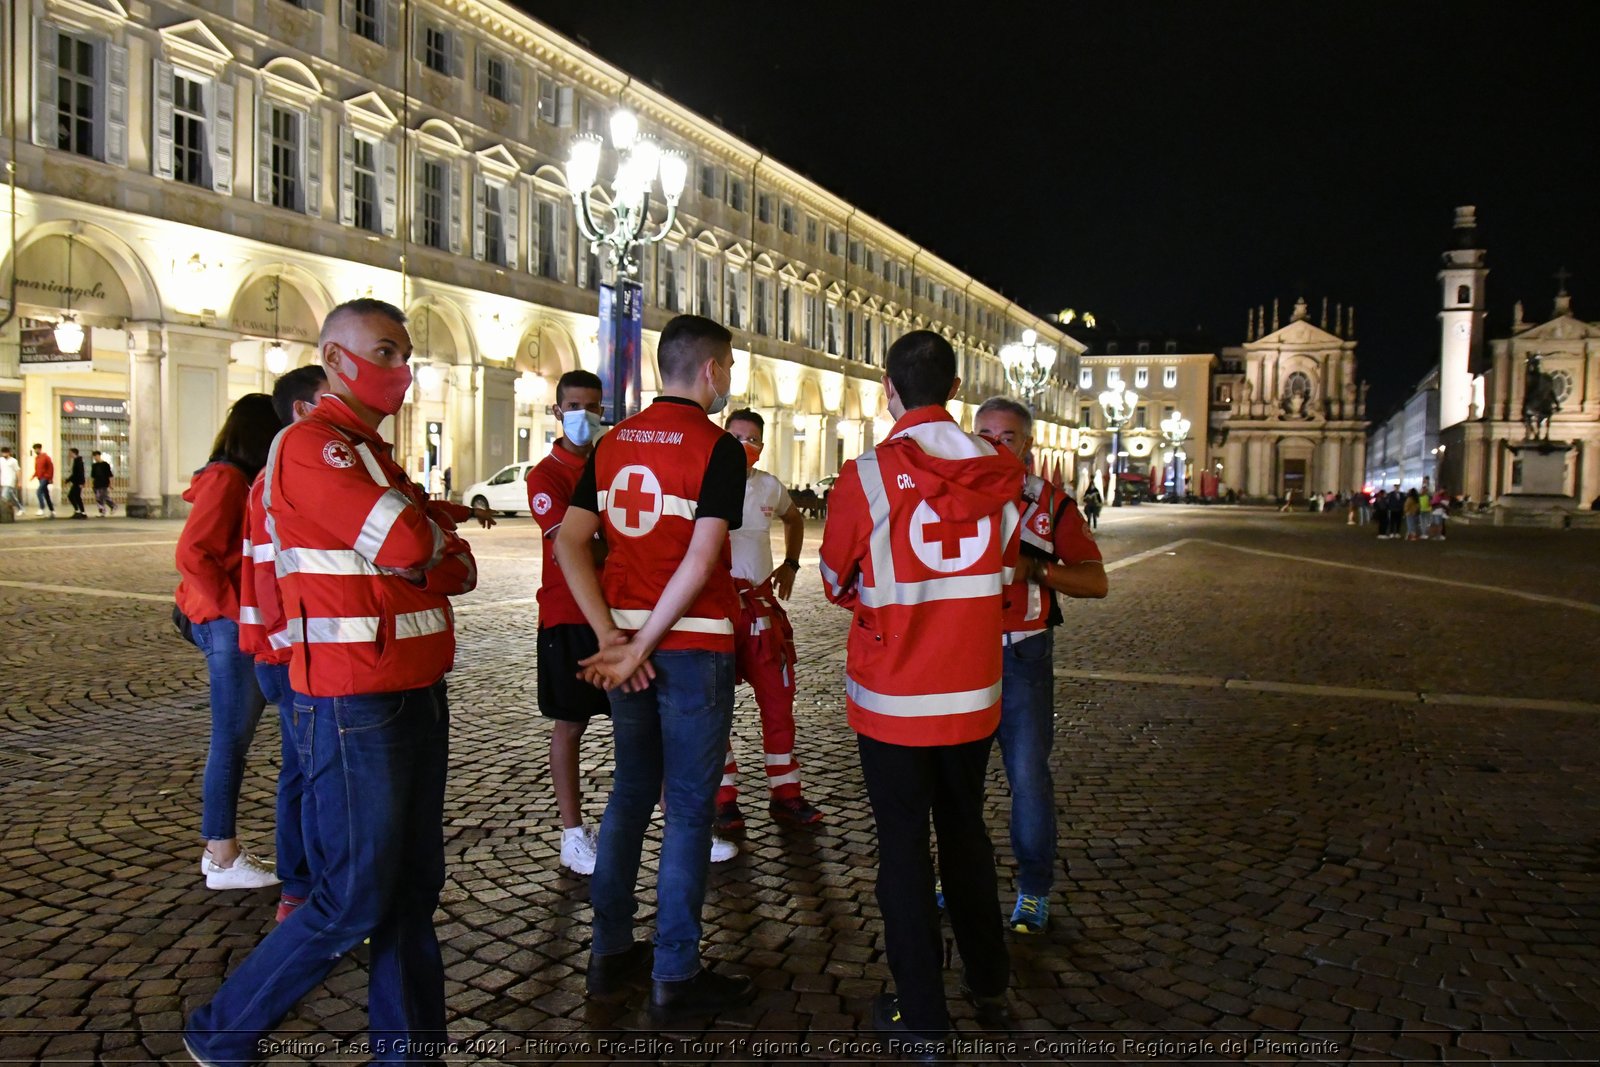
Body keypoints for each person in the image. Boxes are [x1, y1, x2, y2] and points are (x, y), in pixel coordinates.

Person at [185, 298, 479, 1066]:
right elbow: (418, 539)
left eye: (406, 354)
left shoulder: (372, 453)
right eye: (386, 353)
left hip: (409, 686)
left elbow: (456, 565)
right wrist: (424, 544)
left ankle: (409, 1053)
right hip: (353, 698)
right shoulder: (317, 447)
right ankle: (223, 1027)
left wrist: (425, 548)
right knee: (354, 895)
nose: (404, 371)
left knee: (412, 885)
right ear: (337, 360)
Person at [819, 330, 1020, 1055]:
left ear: (887, 387)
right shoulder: (1001, 472)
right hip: (972, 692)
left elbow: (837, 580)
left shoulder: (867, 475)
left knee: (903, 850)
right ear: (957, 389)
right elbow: (1001, 579)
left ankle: (922, 1014)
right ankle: (991, 980)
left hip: (895, 696)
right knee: (966, 831)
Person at [555, 313, 756, 1024]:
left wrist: (618, 635)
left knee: (631, 792)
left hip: (630, 644)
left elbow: (569, 544)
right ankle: (676, 968)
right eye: (728, 367)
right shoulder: (716, 447)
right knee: (690, 809)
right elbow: (702, 560)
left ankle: (609, 950)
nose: (729, 378)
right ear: (710, 370)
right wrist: (641, 647)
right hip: (693, 648)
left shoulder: (611, 444)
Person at [974, 398, 1107, 935]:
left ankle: (1033, 889)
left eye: (1005, 437)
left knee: (1027, 776)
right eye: (982, 433)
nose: (992, 444)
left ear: (1027, 445)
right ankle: (958, 876)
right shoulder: (954, 496)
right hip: (960, 655)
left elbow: (1095, 580)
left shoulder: (1049, 505)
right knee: (960, 781)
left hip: (1022, 651)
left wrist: (1038, 569)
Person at [175, 393, 282, 893]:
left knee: (235, 738)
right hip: (223, 621)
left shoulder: (235, 478)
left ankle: (221, 850)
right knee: (231, 739)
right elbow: (194, 555)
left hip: (228, 618)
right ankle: (220, 855)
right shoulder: (227, 479)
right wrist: (235, 614)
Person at [237, 366, 326, 925]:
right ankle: (306, 891)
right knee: (313, 775)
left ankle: (302, 889)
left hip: (279, 651)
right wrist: (294, 649)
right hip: (290, 654)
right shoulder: (285, 475)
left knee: (301, 771)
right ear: (301, 410)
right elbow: (274, 577)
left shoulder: (279, 472)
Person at [716, 409, 823, 834]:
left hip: (761, 609)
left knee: (778, 701)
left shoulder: (768, 486)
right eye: (737, 436)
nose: (746, 444)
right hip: (715, 609)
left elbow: (793, 517)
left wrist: (792, 563)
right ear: (722, 436)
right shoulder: (701, 480)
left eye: (753, 438)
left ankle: (786, 792)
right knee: (716, 704)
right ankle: (723, 799)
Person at [526, 369, 610, 876]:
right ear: (557, 411)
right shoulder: (546, 475)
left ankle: (679, 822)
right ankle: (572, 834)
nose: (585, 416)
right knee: (570, 724)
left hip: (619, 611)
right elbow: (570, 544)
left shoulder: (610, 462)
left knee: (639, 721)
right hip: (568, 615)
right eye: (575, 406)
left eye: (594, 407)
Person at [31, 443, 55, 517]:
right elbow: (37, 468)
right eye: (34, 449)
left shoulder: (46, 457)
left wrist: (50, 478)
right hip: (40, 477)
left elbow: (51, 468)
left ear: (39, 449)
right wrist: (34, 475)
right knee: (46, 495)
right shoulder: (37, 458)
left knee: (39, 492)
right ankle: (52, 510)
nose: (35, 450)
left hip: (45, 477)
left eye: (36, 449)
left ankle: (41, 508)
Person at [90, 451, 116, 516]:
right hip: (96, 483)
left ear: (99, 456)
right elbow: (93, 476)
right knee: (98, 498)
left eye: (96, 456)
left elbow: (110, 475)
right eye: (94, 456)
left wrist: (111, 483)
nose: (95, 458)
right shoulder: (94, 465)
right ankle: (102, 511)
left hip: (104, 483)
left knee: (103, 496)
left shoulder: (105, 464)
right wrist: (92, 484)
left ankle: (113, 505)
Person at [64, 448, 87, 519]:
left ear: (74, 453)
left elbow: (81, 473)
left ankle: (82, 512)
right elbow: (74, 473)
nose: (69, 454)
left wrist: (82, 482)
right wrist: (68, 480)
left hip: (78, 482)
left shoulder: (79, 461)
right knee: (75, 497)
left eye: (70, 453)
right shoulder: (76, 460)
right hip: (76, 482)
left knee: (74, 496)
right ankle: (79, 512)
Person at [0, 446, 21, 514]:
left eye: (6, 453)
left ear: (9, 453)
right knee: (11, 496)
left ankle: (5, 511)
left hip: (10, 480)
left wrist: (19, 481)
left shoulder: (13, 461)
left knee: (4, 496)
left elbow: (18, 471)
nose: (4, 454)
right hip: (3, 480)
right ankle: (20, 508)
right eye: (3, 453)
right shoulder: (1, 460)